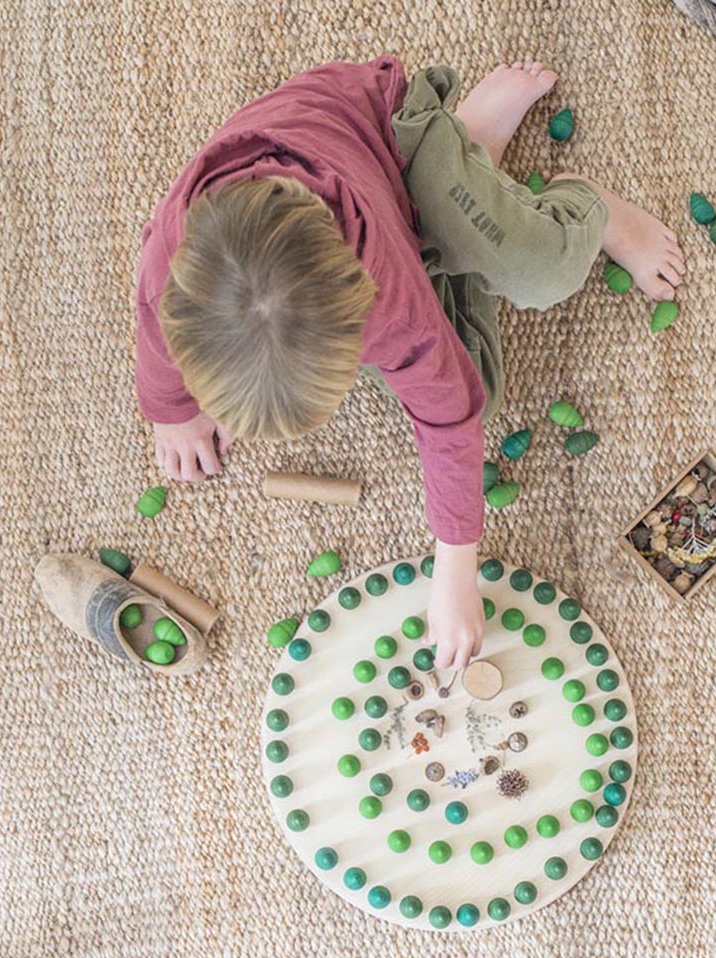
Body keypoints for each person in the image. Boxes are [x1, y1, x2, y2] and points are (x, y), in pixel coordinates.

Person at [134, 56, 685, 671]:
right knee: (477, 379)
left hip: (395, 141)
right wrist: (173, 412)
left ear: (359, 311)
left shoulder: (386, 290)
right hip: (356, 207)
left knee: (543, 270)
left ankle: (564, 194)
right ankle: (473, 164)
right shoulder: (170, 264)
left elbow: (449, 415)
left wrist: (455, 570)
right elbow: (155, 338)